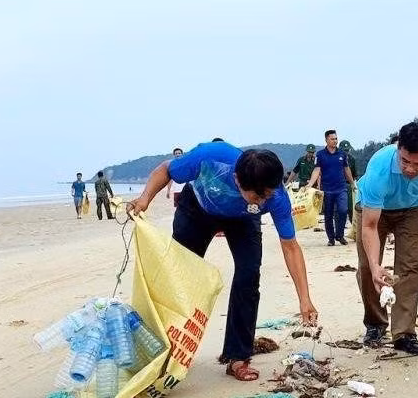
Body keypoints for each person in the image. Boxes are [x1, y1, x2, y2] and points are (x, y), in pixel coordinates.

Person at [127, 141, 318, 382]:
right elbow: (166, 169)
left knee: (248, 275)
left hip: (243, 218)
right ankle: (167, 350)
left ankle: (238, 357)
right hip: (197, 209)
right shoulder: (210, 158)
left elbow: (290, 246)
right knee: (180, 277)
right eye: (259, 196)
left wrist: (304, 298)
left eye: (268, 196)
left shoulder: (274, 195)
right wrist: (145, 198)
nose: (264, 201)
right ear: (238, 180)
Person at [355, 122, 418, 355]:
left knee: (409, 268)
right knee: (369, 268)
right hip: (372, 210)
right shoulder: (379, 169)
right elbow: (369, 226)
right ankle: (375, 324)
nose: (410, 169)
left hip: (413, 209)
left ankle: (404, 333)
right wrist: (377, 266)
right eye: (405, 161)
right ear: (398, 148)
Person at [307, 130, 355, 246]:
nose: (335, 141)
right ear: (326, 140)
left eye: (336, 139)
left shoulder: (342, 154)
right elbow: (317, 170)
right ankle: (331, 238)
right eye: (332, 139)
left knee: (343, 210)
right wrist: (309, 184)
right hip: (327, 189)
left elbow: (346, 169)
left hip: (341, 188)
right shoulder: (320, 155)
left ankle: (340, 235)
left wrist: (352, 183)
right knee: (328, 215)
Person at [340, 140, 359, 223]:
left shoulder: (352, 159)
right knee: (341, 208)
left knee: (351, 207)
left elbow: (355, 174)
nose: (346, 152)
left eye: (347, 150)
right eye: (344, 150)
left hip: (349, 185)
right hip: (339, 185)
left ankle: (352, 223)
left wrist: (354, 185)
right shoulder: (336, 158)